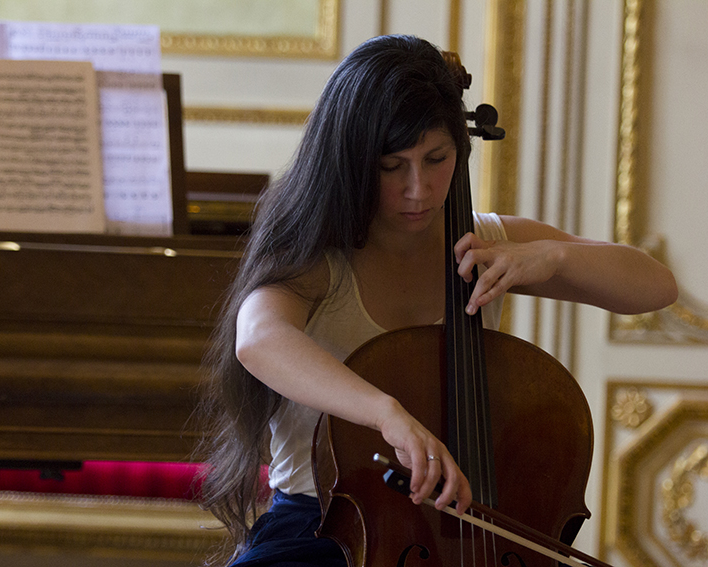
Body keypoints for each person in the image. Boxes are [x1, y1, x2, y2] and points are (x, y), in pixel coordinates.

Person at [194, 34, 677, 567]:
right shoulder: (316, 254)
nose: (418, 189)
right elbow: (259, 340)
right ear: (351, 159)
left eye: (436, 158)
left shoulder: (484, 241)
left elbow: (655, 286)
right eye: (391, 165)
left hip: (475, 538)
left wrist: (551, 257)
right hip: (321, 530)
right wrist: (386, 414)